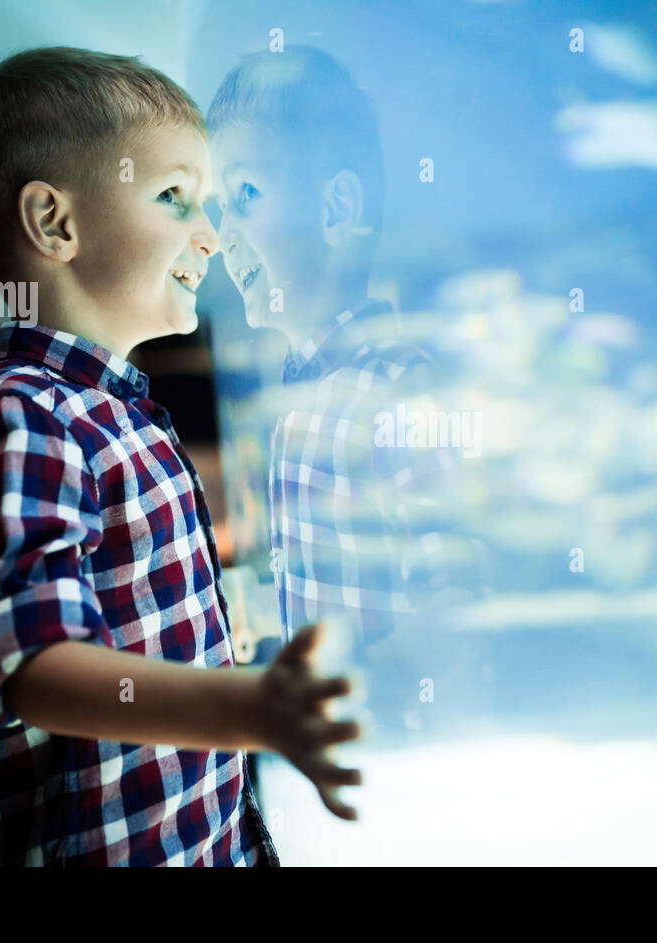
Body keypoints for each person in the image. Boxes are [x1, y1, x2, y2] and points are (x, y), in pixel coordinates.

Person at [0, 46, 361, 867]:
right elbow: (35, 663)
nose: (212, 234)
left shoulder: (114, 416)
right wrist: (252, 708)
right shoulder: (23, 414)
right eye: (174, 197)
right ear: (55, 223)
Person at [205, 47, 487, 702]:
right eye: (218, 209)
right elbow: (342, 580)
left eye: (245, 195)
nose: (222, 236)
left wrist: (368, 695)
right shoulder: (296, 397)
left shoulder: (399, 384)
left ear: (336, 209)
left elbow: (452, 594)